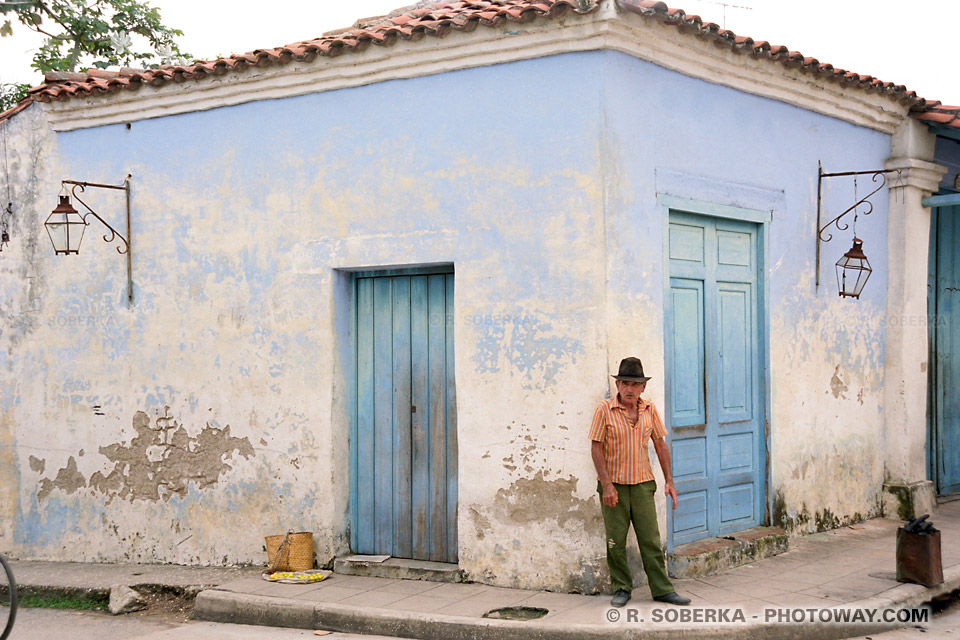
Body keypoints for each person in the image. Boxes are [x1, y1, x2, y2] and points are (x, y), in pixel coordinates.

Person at [589, 357, 691, 607]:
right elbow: (596, 447)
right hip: (615, 487)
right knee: (615, 541)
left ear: (643, 387)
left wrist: (669, 480)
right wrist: (607, 485)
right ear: (618, 385)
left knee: (651, 541)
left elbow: (660, 444)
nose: (629, 389)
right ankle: (622, 588)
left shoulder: (650, 410)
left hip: (643, 485)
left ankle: (662, 589)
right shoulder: (604, 409)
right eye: (624, 383)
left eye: (635, 384)